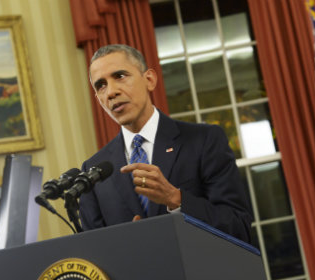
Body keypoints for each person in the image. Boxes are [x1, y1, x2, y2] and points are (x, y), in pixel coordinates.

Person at [78, 44, 252, 243]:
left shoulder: (205, 141)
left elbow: (239, 226)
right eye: (101, 85)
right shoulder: (93, 172)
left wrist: (176, 198)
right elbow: (96, 254)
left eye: (120, 76)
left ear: (149, 80)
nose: (111, 92)